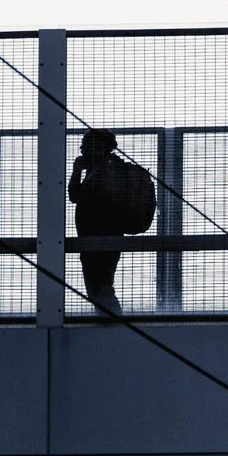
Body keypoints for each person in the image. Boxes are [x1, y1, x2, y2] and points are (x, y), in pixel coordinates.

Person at [68, 129, 154, 317]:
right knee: (101, 285)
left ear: (98, 147)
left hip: (98, 238)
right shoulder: (105, 168)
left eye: (86, 146)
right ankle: (110, 320)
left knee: (99, 287)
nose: (82, 151)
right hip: (102, 237)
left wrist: (77, 170)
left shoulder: (105, 170)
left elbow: (75, 195)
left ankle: (112, 322)